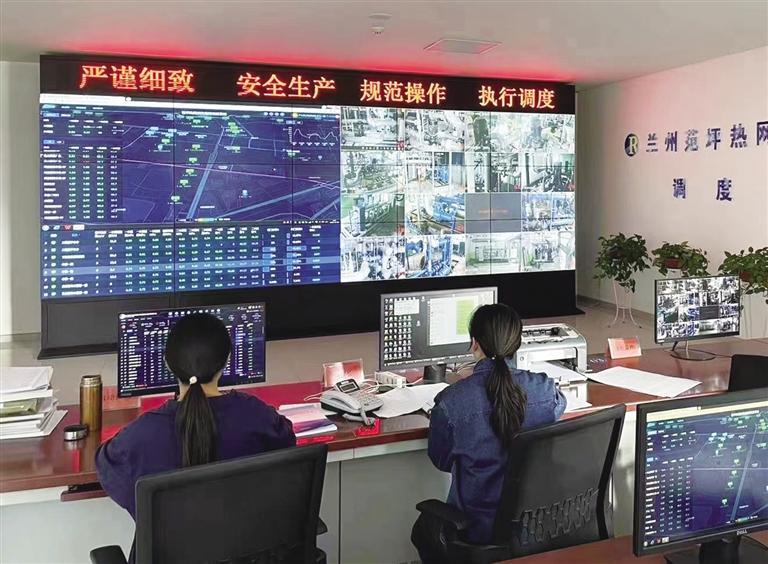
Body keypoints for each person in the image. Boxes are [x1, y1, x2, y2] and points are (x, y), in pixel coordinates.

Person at [96, 312, 295, 529]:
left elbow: (109, 470)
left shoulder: (139, 437)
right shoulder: (256, 415)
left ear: (167, 364)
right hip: (252, 546)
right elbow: (287, 442)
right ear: (227, 361)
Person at [412, 304, 566, 562]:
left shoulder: (452, 402)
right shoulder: (545, 390)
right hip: (536, 528)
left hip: (475, 531)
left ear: (475, 343)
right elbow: (558, 407)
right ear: (517, 344)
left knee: (424, 530)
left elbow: (442, 460)